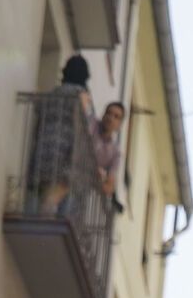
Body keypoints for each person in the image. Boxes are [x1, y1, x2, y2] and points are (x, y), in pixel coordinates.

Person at [33, 53, 95, 216]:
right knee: (61, 208)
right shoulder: (82, 97)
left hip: (44, 153)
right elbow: (85, 129)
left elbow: (39, 117)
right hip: (66, 155)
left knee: (44, 199)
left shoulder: (52, 94)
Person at [94, 99, 125, 199]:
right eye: (109, 113)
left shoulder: (115, 153)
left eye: (116, 117)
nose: (111, 118)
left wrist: (102, 179)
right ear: (103, 115)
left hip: (81, 190)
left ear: (120, 125)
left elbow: (110, 186)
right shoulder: (90, 125)